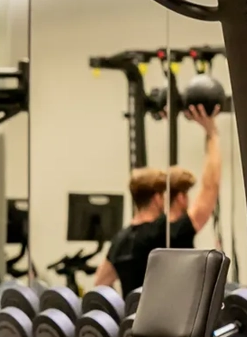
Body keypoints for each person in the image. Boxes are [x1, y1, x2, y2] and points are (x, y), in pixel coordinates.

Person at [94, 105, 222, 294]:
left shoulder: (120, 241)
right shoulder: (167, 232)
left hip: (136, 323)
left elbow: (100, 285)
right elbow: (210, 188)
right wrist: (212, 134)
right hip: (174, 323)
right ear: (156, 198)